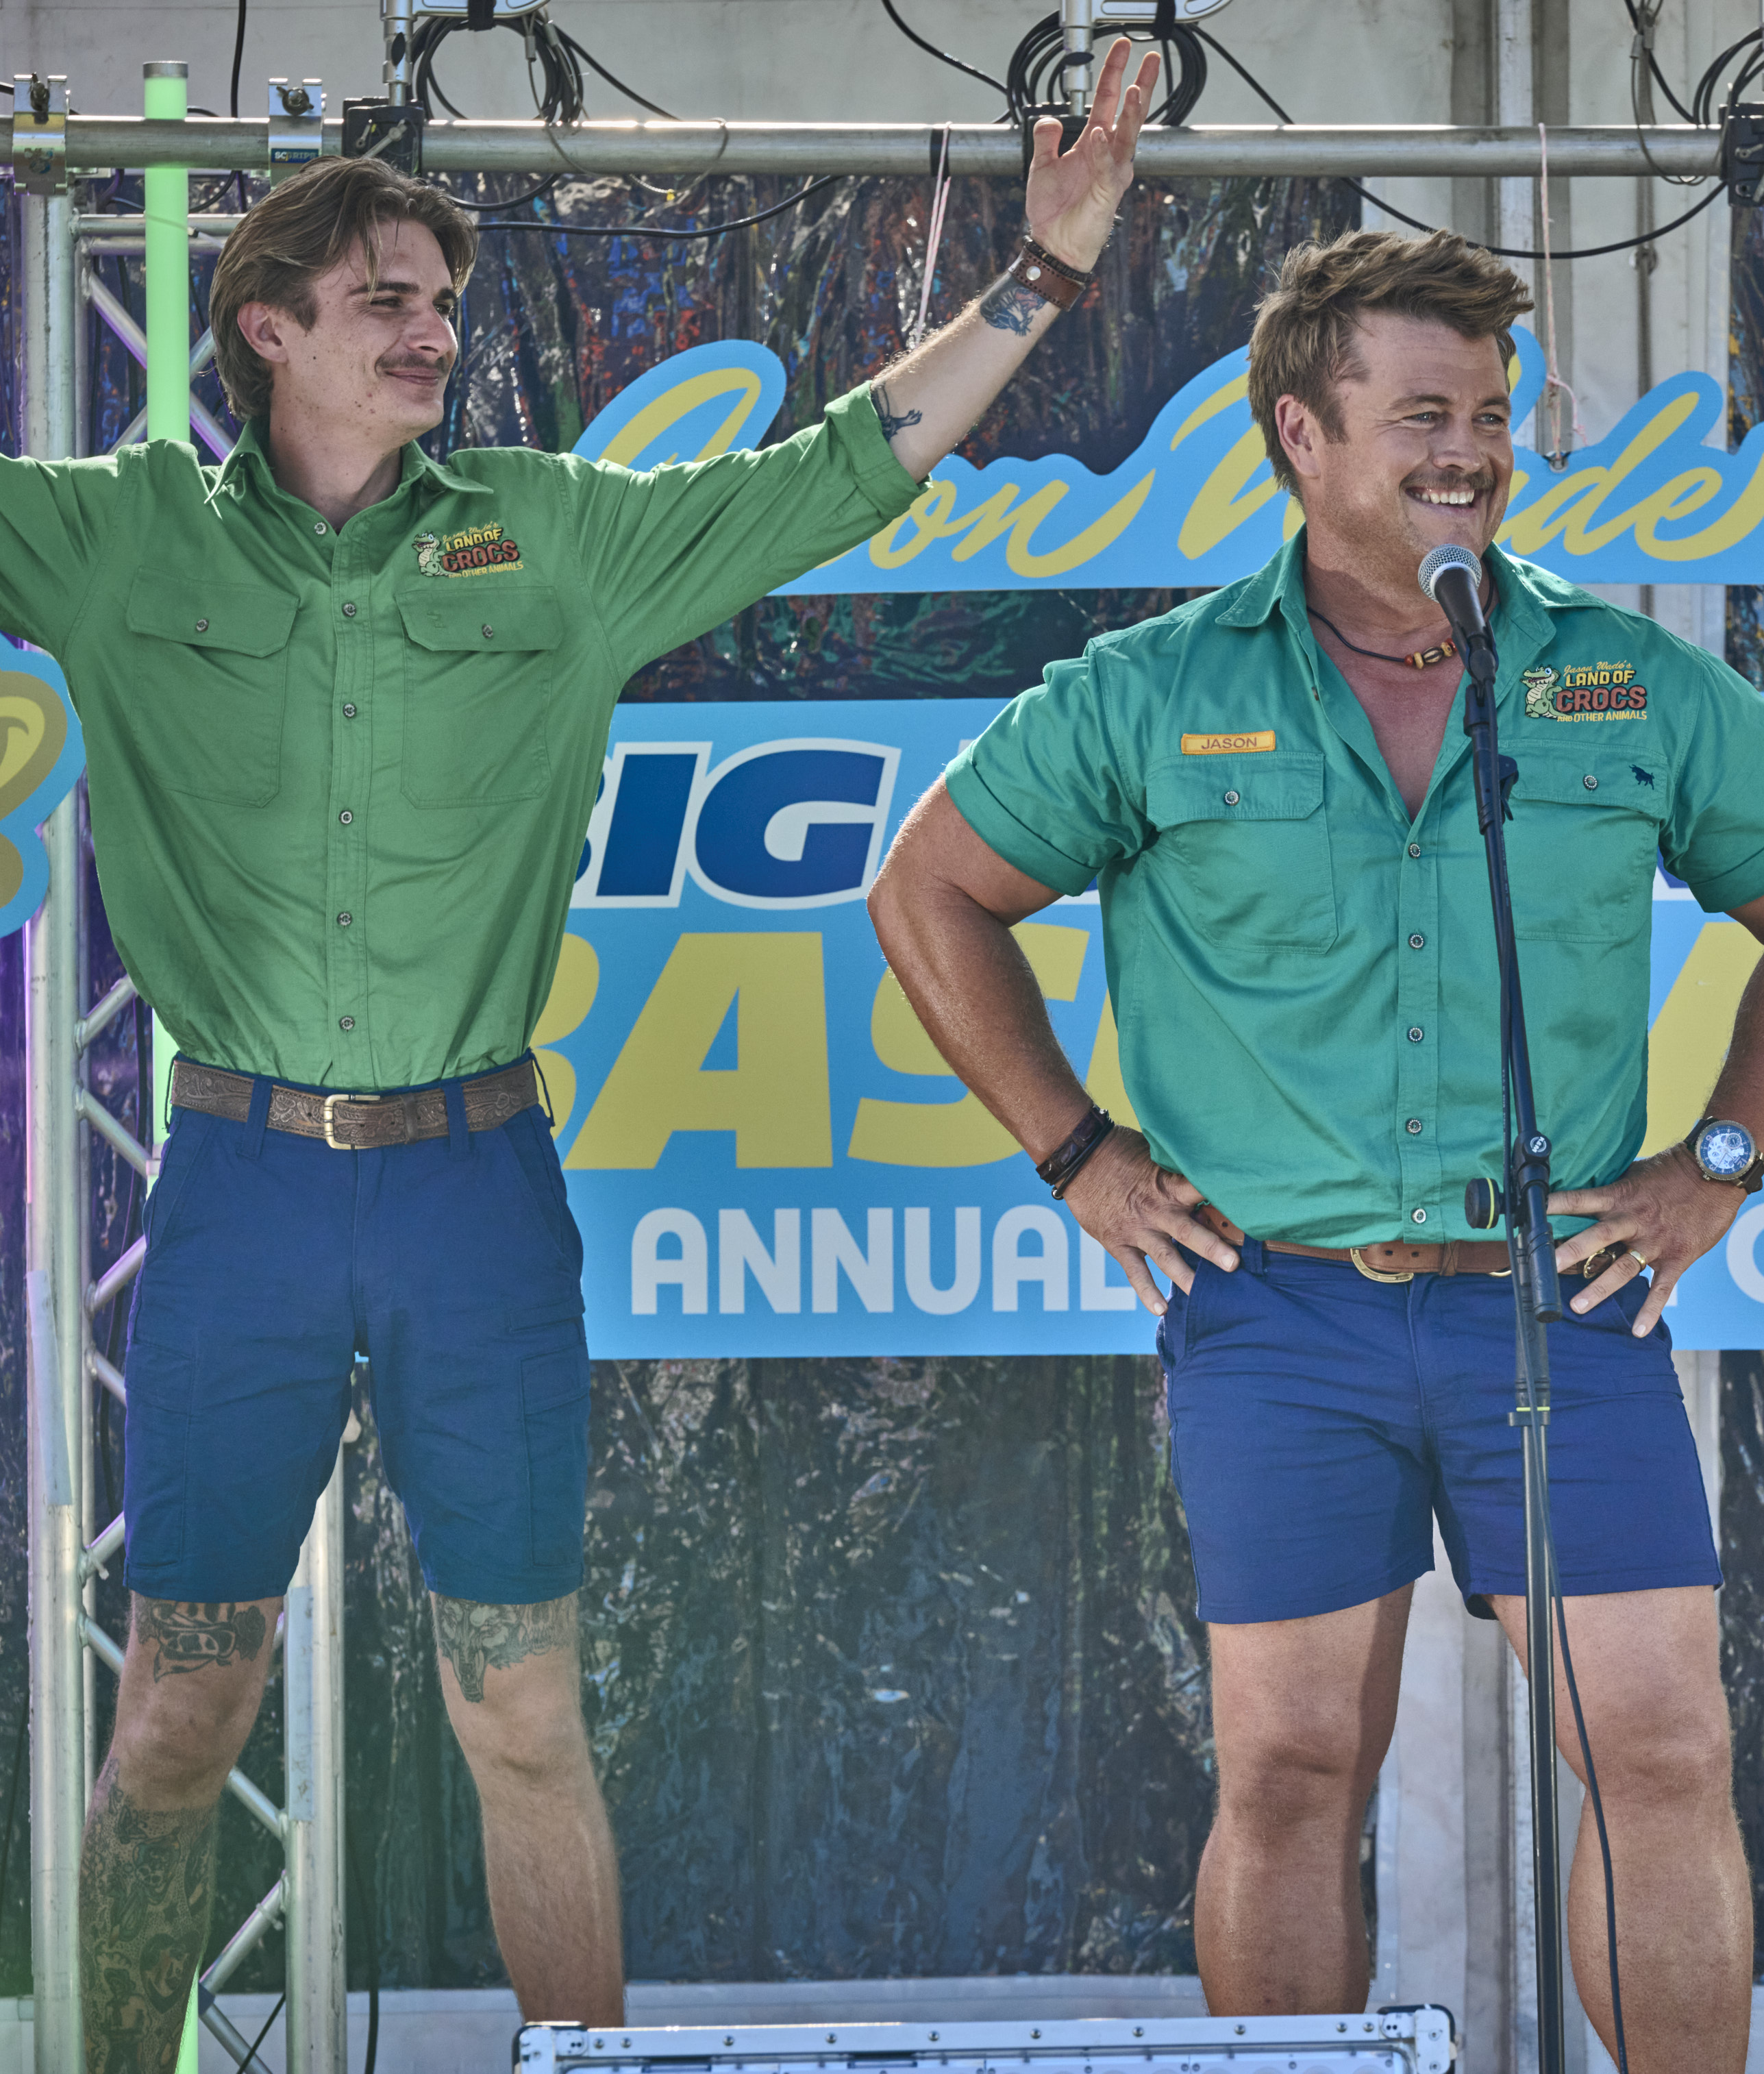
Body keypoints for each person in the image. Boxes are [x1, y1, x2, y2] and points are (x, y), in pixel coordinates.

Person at [0, 46, 1156, 2069]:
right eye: (384, 299)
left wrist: (1044, 274)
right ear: (265, 324)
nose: (432, 331)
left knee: (520, 1705)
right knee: (178, 1710)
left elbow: (839, 470)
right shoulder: (118, 539)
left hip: (472, 1190)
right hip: (241, 1190)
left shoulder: (549, 534)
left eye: (445, 302)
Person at [868, 228, 1764, 2066]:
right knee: (1287, 1765)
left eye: (1489, 414)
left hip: (1557, 1299)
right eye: (1421, 413)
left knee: (1661, 1747)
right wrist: (1077, 1153)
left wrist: (1720, 1161)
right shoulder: (1151, 686)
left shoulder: (1613, 676)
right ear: (1299, 435)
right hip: (1279, 1313)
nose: (1469, 451)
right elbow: (930, 887)